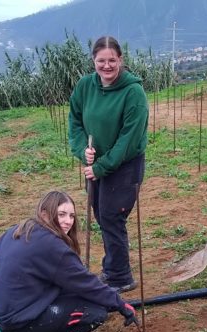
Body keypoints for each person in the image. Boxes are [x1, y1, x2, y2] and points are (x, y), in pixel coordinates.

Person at [0, 191, 139, 332]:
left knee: (69, 294)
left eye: (72, 216)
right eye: (61, 214)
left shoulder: (16, 231)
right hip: (18, 319)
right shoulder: (51, 246)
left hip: (1, 316)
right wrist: (120, 304)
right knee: (94, 312)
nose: (68, 221)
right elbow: (87, 284)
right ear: (44, 214)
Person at [68, 36, 148, 294]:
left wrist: (102, 167)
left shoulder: (133, 92)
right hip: (95, 163)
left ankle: (120, 276)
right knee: (102, 215)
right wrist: (83, 151)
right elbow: (76, 121)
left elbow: (129, 138)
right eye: (101, 61)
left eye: (112, 60)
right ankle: (113, 267)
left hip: (124, 164)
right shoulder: (84, 86)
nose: (107, 66)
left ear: (120, 59)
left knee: (112, 216)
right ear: (93, 61)